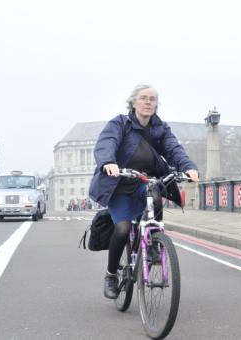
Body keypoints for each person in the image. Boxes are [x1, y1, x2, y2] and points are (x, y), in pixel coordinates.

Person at [89, 83, 199, 299]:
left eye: (153, 99)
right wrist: (108, 162)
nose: (148, 102)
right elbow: (106, 143)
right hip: (119, 185)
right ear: (133, 102)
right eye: (144, 98)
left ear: (157, 105)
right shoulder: (120, 123)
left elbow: (173, 148)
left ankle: (155, 239)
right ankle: (111, 274)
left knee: (156, 193)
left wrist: (188, 167)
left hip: (143, 182)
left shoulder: (160, 128)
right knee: (121, 229)